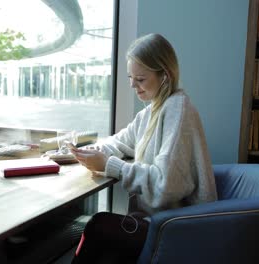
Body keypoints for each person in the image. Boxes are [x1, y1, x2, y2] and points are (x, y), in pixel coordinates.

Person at [70, 33, 218, 263]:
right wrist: (89, 152)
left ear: (165, 76)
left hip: (175, 229)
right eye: (131, 77)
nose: (132, 85)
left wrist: (110, 165)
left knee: (98, 227)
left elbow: (165, 185)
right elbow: (120, 141)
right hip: (156, 222)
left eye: (140, 79)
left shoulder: (177, 110)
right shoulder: (150, 112)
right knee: (101, 233)